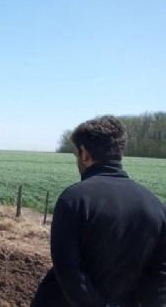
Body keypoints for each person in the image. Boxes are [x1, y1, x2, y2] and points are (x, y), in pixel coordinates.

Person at [31, 115, 166, 307]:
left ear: (84, 153)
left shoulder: (74, 199)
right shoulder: (156, 206)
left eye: (76, 154)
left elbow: (68, 271)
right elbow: (158, 278)